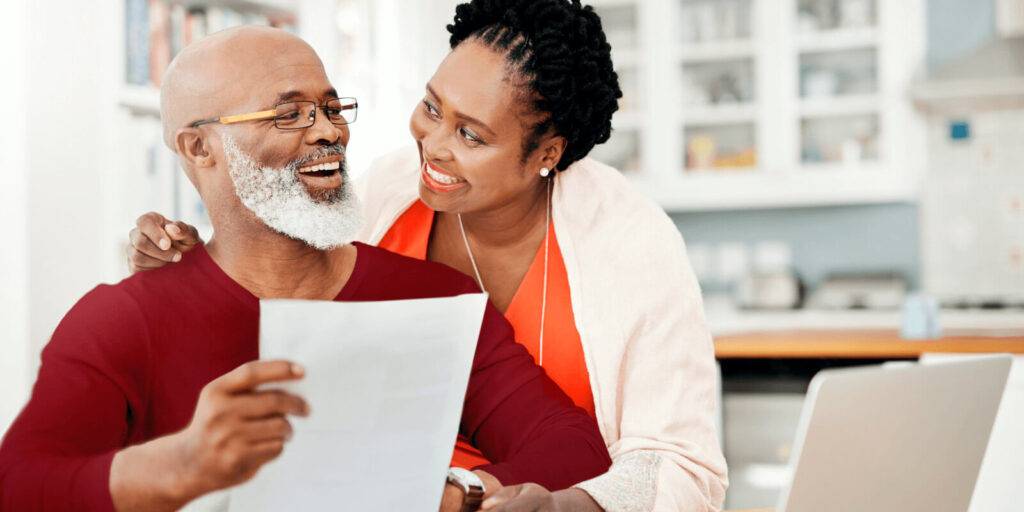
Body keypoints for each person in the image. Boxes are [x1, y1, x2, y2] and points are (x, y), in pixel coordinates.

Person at [127, 0, 729, 510]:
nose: (432, 146)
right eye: (433, 107)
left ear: (547, 151)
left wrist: (573, 503)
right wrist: (187, 272)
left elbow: (682, 467)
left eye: (471, 135)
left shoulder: (628, 243)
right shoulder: (387, 196)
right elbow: (285, 315)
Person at [0, 26, 613, 512]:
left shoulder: (431, 299)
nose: (328, 132)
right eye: (288, 114)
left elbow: (573, 445)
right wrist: (180, 466)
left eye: (330, 106)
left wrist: (454, 492)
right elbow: (21, 486)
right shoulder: (121, 318)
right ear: (199, 148)